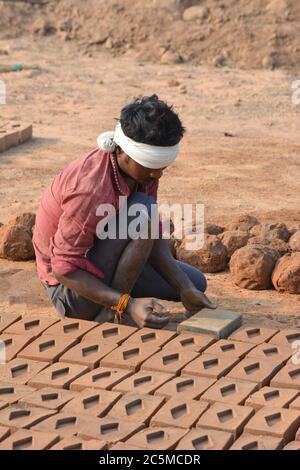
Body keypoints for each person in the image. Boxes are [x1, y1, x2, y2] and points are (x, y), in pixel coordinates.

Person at [33, 95, 216, 329]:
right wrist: (126, 304)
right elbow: (63, 270)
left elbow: (150, 234)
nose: (158, 175)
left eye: (162, 168)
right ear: (121, 151)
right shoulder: (89, 190)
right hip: (70, 292)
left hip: (107, 260)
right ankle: (110, 312)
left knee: (195, 282)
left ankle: (123, 298)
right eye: (152, 167)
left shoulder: (143, 172)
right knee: (144, 211)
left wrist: (184, 288)